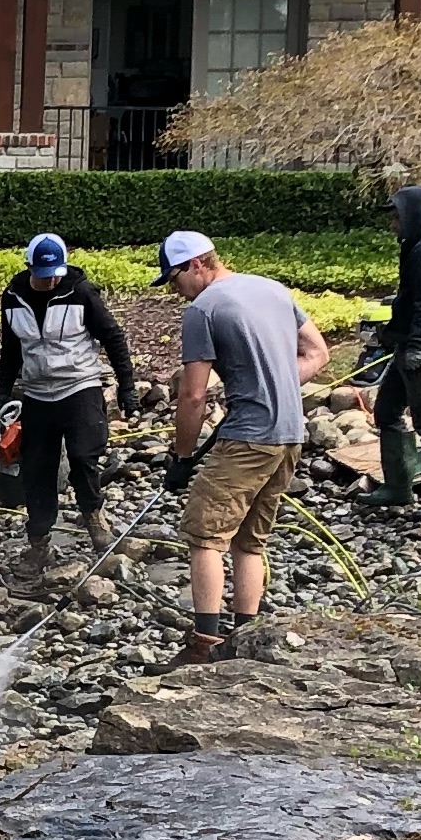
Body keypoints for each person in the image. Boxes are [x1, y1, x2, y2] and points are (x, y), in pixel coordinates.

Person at [157, 228, 328, 664]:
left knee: (205, 536)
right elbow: (317, 353)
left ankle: (205, 645)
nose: (177, 291)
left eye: (174, 279)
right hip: (290, 434)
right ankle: (245, 638)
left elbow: (193, 395)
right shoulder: (272, 289)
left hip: (247, 438)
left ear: (196, 265)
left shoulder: (203, 310)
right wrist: (275, 385)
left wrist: (181, 456)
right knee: (250, 541)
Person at [0, 230, 136, 580]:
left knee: (85, 456)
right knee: (37, 470)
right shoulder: (12, 298)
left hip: (80, 387)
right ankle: (38, 541)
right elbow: (11, 348)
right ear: (29, 267)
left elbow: (113, 338)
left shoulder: (81, 293)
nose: (50, 279)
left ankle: (95, 518)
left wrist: (127, 388)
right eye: (42, 274)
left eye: (54, 272)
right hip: (38, 394)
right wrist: (3, 391)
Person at [363, 184, 421, 520]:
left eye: (397, 217)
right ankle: (398, 487)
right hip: (408, 347)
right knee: (387, 412)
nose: (393, 224)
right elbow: (414, 300)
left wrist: (417, 346)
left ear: (413, 216)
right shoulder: (417, 246)